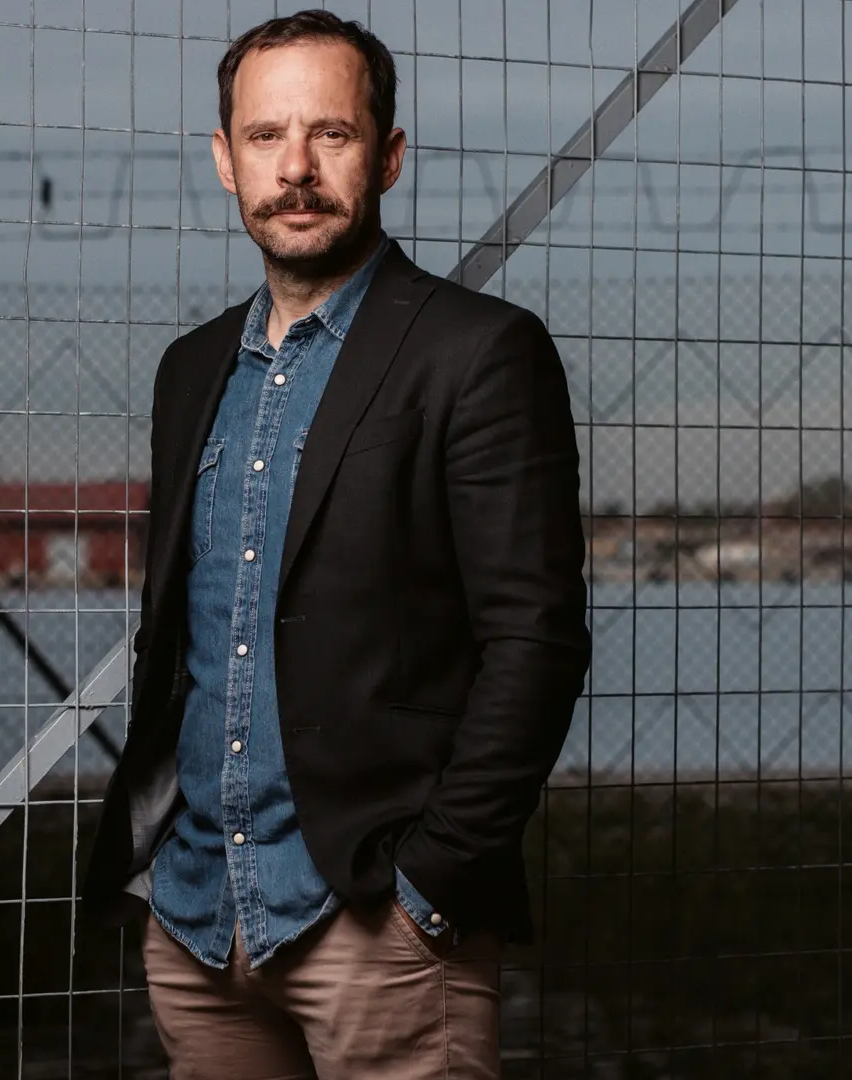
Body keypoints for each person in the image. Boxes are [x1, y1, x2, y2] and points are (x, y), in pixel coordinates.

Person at [79, 10, 591, 1078]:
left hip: (376, 926)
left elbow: (536, 641)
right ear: (226, 161)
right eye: (265, 136)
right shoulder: (191, 369)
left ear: (388, 156)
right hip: (196, 919)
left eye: (333, 134)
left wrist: (431, 884)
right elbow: (183, 634)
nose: (296, 169)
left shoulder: (479, 353)